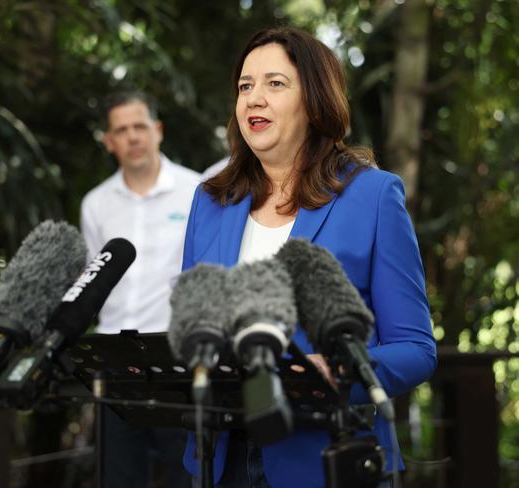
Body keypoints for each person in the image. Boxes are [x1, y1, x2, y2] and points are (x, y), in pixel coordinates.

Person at [180, 27, 437, 488]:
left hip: (328, 458)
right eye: (245, 86)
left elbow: (416, 349)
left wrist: (336, 372)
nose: (254, 98)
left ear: (315, 101)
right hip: (220, 458)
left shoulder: (373, 195)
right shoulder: (211, 201)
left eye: (275, 84)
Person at [80, 91, 200, 488]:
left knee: (186, 477)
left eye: (139, 127)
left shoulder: (197, 191)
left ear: (158, 131)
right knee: (117, 478)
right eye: (121, 130)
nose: (132, 137)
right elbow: (92, 281)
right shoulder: (95, 204)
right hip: (113, 362)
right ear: (108, 141)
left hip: (176, 357)